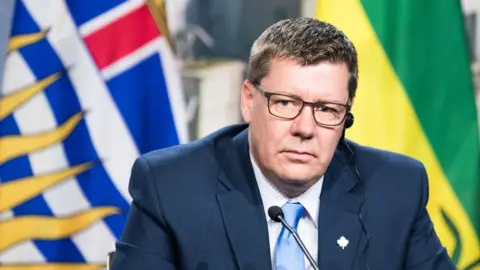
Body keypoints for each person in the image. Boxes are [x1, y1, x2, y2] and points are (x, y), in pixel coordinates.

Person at [110, 17, 455, 270]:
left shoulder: (395, 189)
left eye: (326, 109)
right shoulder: (171, 187)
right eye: (286, 103)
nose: (305, 128)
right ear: (248, 100)